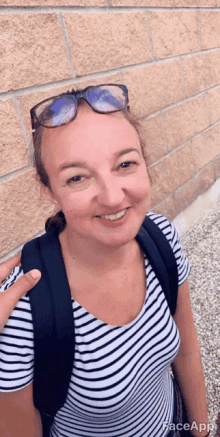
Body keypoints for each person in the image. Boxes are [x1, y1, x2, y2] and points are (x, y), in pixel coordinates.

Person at [0, 84, 209, 437]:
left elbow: (186, 350)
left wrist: (201, 430)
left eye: (125, 163)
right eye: (77, 177)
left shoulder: (160, 237)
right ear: (49, 190)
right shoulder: (23, 308)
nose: (113, 197)